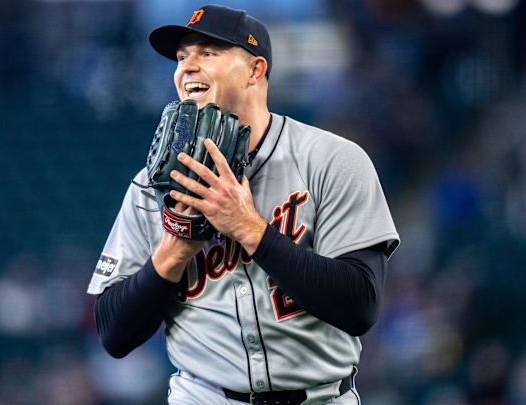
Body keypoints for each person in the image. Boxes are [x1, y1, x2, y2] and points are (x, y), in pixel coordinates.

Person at [87, 5, 400, 405]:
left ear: (255, 71)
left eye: (208, 53)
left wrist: (250, 229)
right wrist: (175, 249)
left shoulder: (331, 160)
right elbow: (113, 334)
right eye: (182, 57)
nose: (188, 67)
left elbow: (360, 306)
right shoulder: (152, 185)